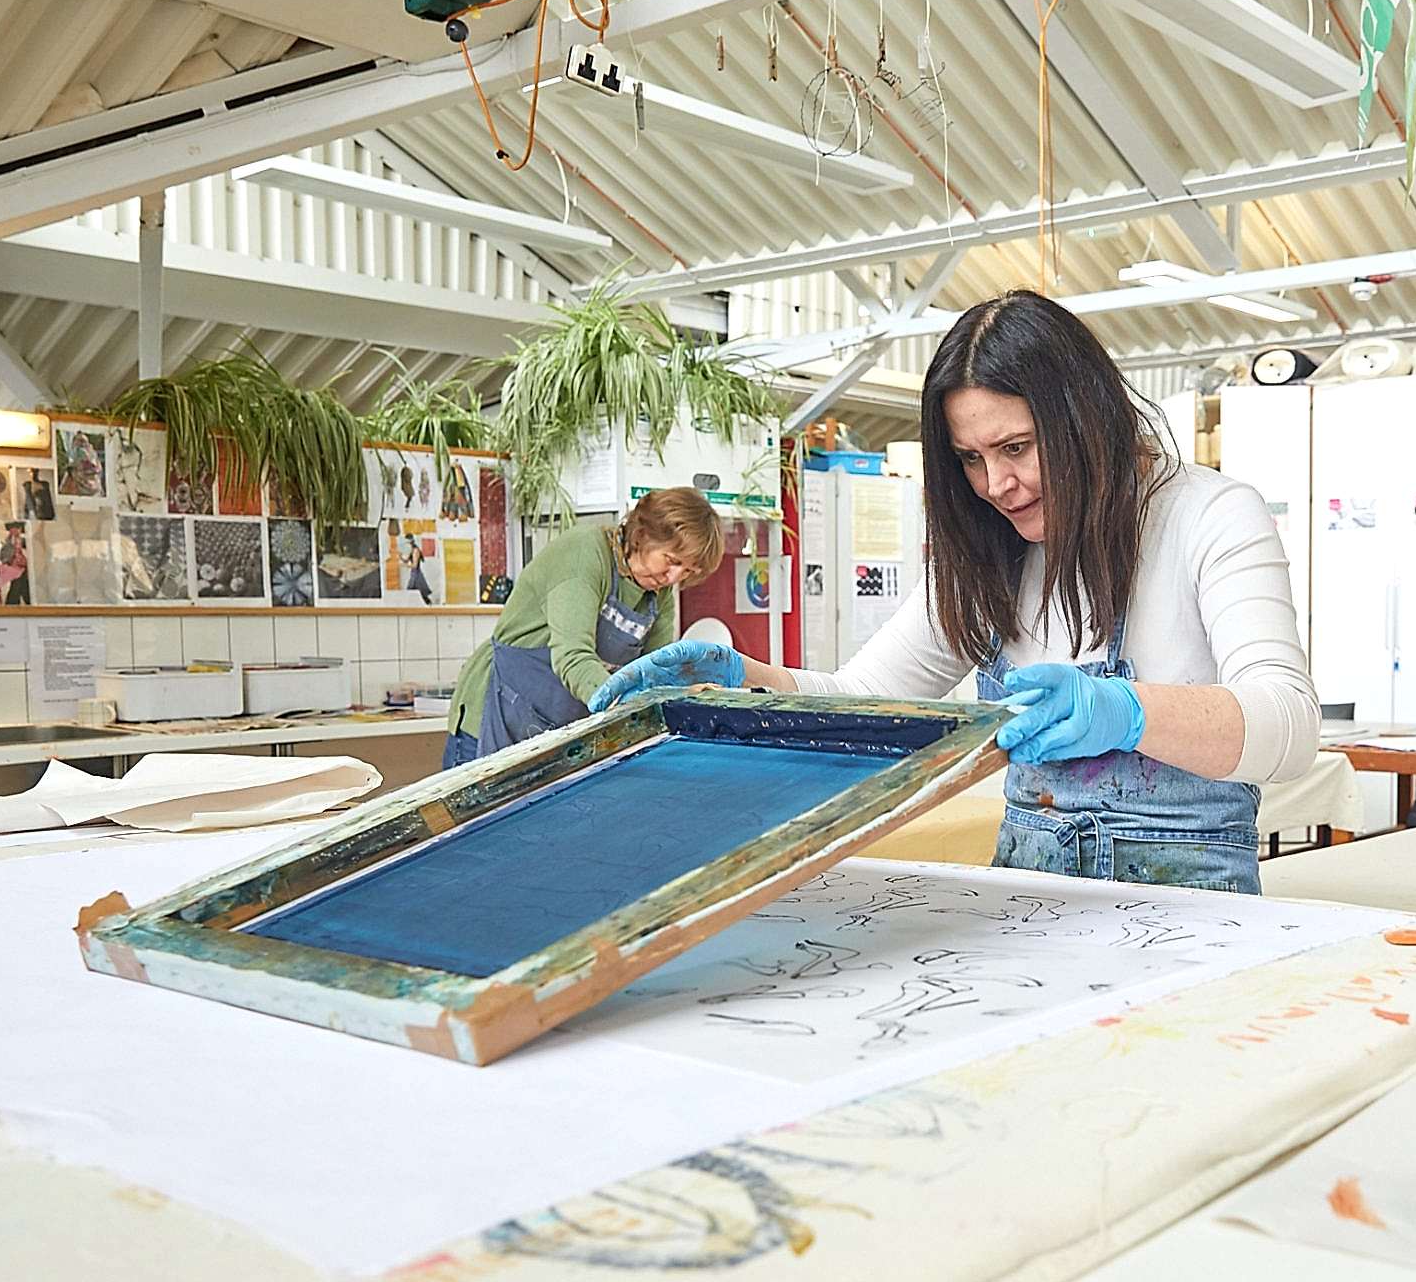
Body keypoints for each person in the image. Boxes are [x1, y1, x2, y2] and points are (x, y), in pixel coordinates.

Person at [590, 290, 1315, 895]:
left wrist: (1128, 712)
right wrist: (740, 682)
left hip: (1191, 913)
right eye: (971, 459)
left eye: (1017, 448)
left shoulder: (1208, 516)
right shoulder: (985, 555)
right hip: (1031, 899)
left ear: (1085, 421)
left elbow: (1288, 725)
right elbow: (865, 696)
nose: (997, 486)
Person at [441, 485, 726, 767]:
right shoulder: (585, 554)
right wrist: (630, 700)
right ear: (644, 534)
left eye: (688, 570)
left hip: (556, 731)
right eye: (671, 560)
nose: (673, 576)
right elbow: (573, 657)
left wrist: (683, 694)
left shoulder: (659, 595)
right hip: (494, 715)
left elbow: (658, 671)